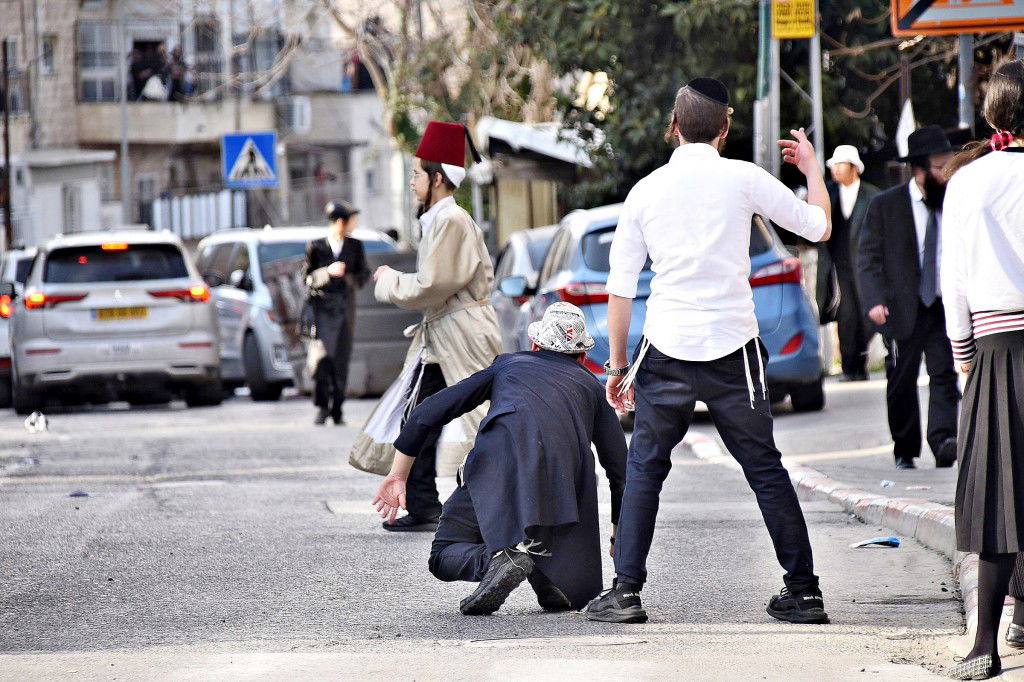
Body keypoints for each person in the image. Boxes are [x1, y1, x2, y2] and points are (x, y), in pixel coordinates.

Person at [584, 78, 832, 625]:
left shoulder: (645, 191)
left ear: (674, 128)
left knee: (645, 468)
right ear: (725, 129)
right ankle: (804, 591)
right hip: (733, 351)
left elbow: (620, 289)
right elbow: (817, 227)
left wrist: (618, 366)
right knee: (765, 467)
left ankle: (625, 592)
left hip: (666, 349)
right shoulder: (742, 178)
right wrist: (812, 171)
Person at [372, 303, 627, 614]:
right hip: (563, 495)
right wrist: (619, 533)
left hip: (497, 469)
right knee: (568, 599)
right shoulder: (591, 386)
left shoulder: (508, 365)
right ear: (583, 356)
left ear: (534, 345)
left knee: (443, 554)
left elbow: (427, 412)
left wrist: (398, 475)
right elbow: (621, 471)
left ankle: (494, 561)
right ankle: (546, 572)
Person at [351, 121, 501, 533]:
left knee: (479, 418)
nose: (412, 180)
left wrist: (388, 281)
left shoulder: (450, 219)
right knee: (421, 416)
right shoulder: (440, 218)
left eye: (417, 173)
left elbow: (433, 285)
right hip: (447, 334)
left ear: (438, 178)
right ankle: (425, 503)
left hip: (462, 334)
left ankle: (483, 502)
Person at [939, 60, 1024, 680]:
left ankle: (985, 645)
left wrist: (963, 351)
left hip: (995, 348)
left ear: (992, 113)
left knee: (1000, 496)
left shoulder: (968, 182)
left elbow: (955, 279)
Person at [857, 125, 960, 471]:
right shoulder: (885, 205)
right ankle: (905, 447)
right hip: (902, 307)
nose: (946, 173)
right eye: (940, 166)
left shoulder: (956, 202)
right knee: (901, 378)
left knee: (944, 374)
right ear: (919, 169)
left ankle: (944, 440)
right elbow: (867, 257)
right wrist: (874, 299)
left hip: (944, 305)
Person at [303, 200, 369, 425]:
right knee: (321, 360)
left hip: (344, 310)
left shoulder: (355, 246)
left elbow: (363, 275)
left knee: (341, 360)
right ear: (340, 222)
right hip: (322, 310)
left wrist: (347, 278)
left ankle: (338, 408)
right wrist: (327, 272)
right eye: (352, 219)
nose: (355, 223)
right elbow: (306, 278)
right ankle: (322, 407)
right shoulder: (316, 246)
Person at [818, 145, 879, 381]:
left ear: (854, 167)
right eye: (833, 165)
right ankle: (848, 366)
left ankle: (861, 364)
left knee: (866, 315)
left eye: (840, 164)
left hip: (866, 267)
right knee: (845, 316)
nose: (835, 169)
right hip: (838, 267)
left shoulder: (872, 195)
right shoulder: (829, 194)